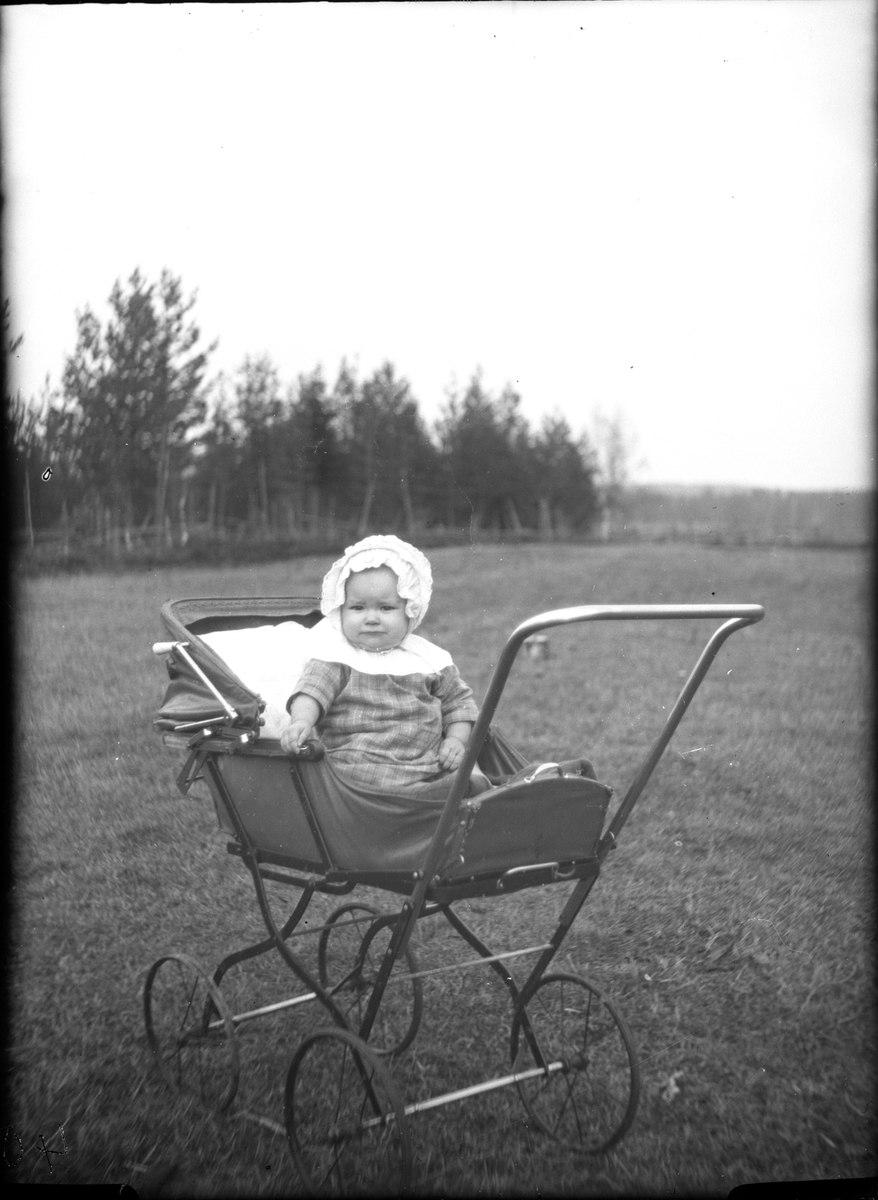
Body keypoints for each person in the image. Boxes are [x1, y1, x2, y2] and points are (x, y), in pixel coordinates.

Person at [280, 535, 491, 797]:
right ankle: (432, 798)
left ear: (410, 610)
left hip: (427, 762)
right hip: (361, 763)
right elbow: (312, 692)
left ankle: (474, 790)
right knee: (366, 773)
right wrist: (301, 721)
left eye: (386, 608)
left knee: (466, 764)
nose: (371, 618)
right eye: (357, 607)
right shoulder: (336, 657)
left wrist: (456, 739)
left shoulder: (428, 658)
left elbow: (458, 704)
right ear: (340, 609)